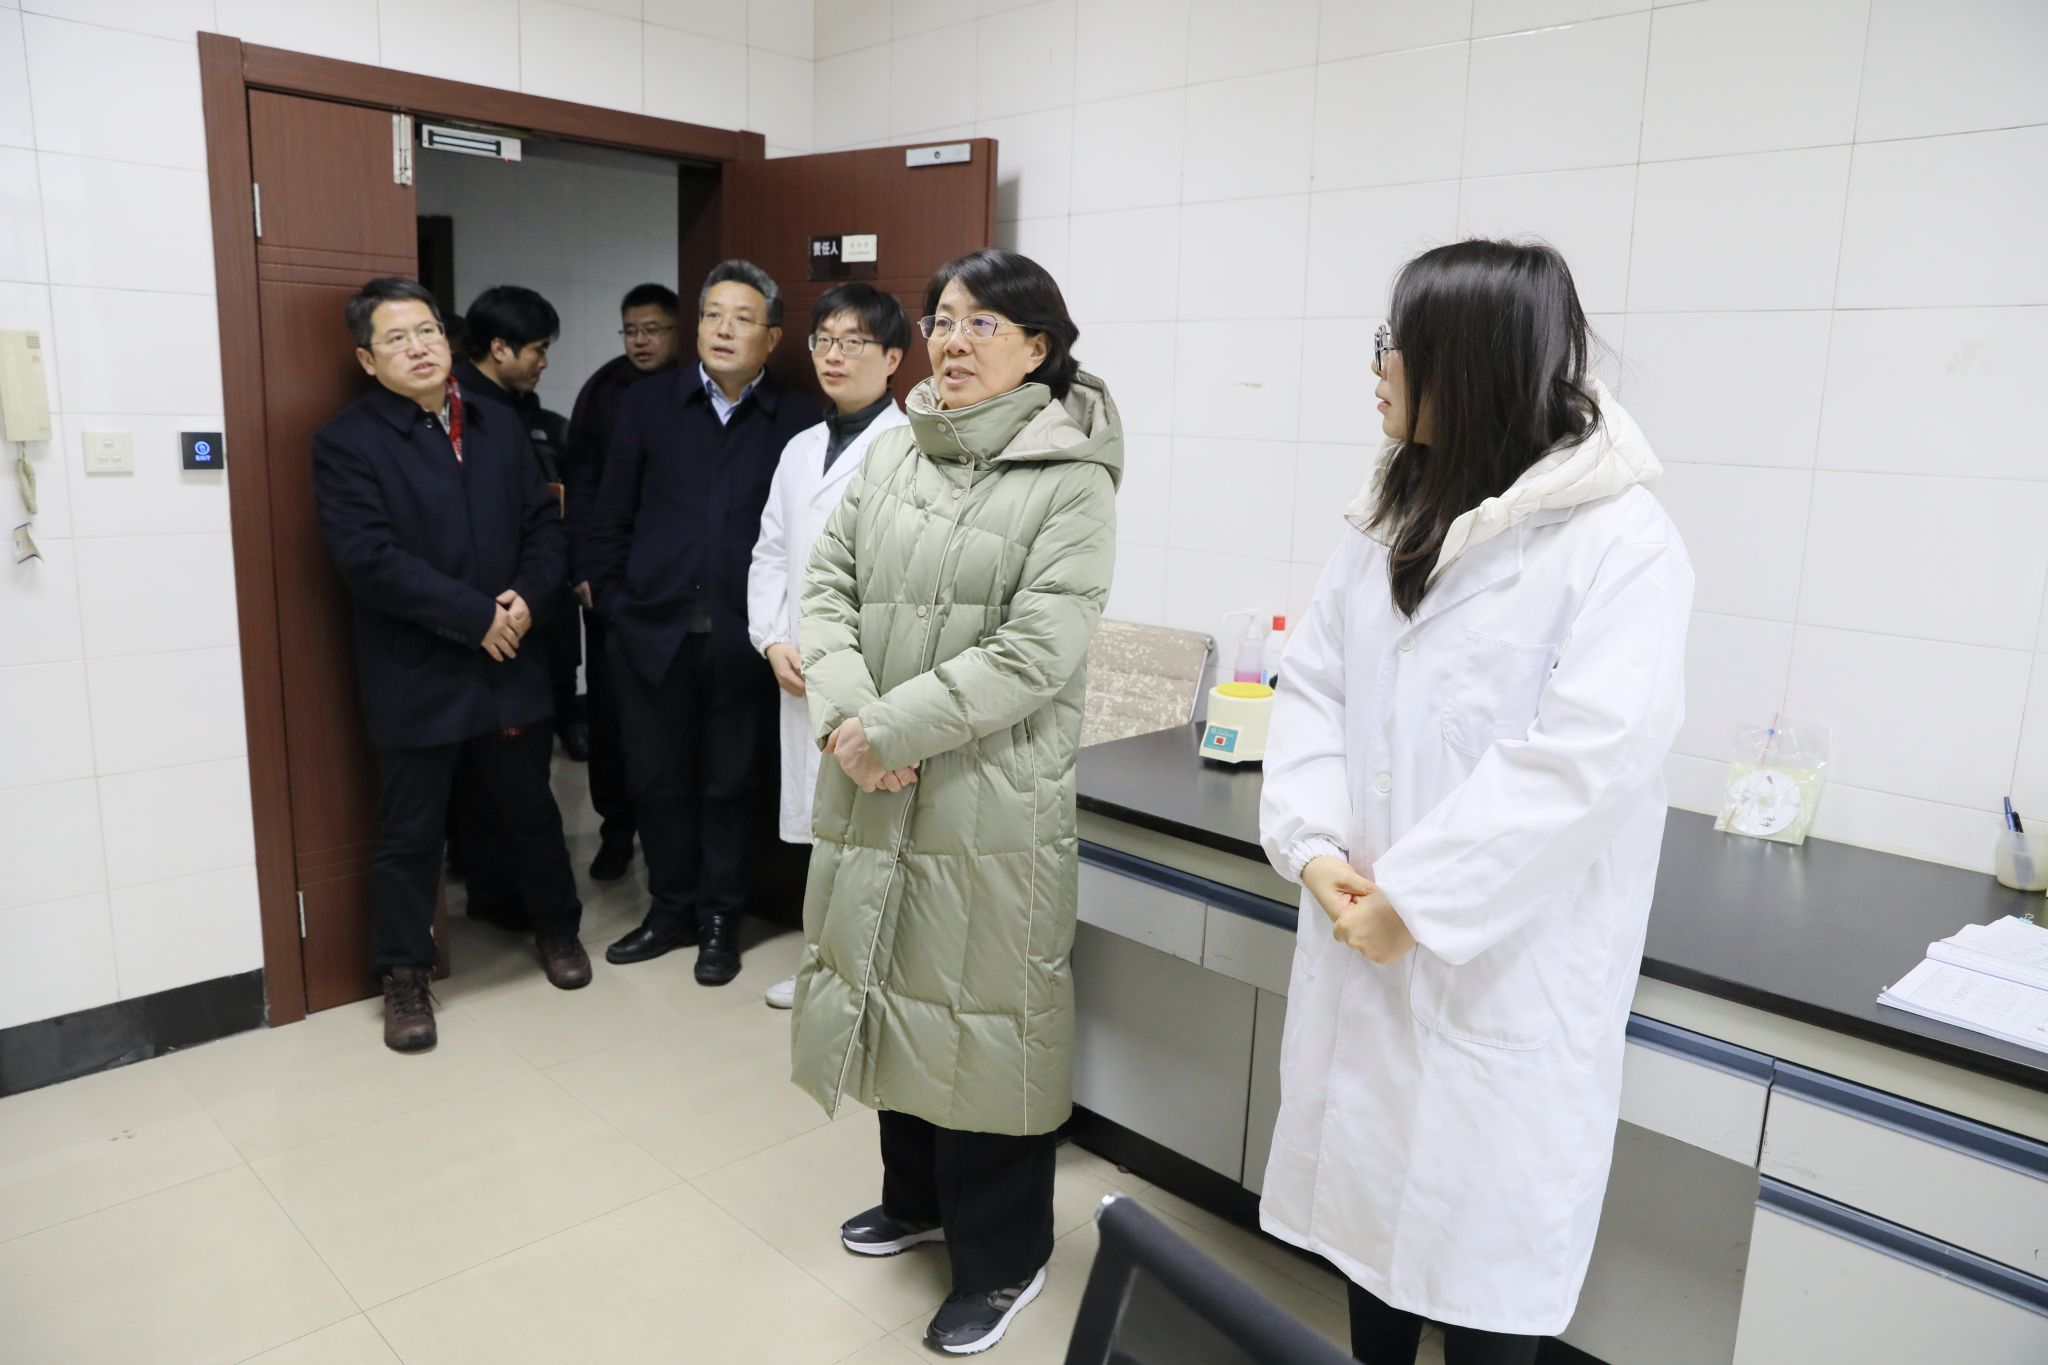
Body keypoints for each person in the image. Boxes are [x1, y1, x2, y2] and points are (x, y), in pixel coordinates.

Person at [1257, 240, 1693, 1364]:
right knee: (1369, 1264)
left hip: (1499, 975)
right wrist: (1314, 848)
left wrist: (1414, 903)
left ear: (1468, 361)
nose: (1377, 368)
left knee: (1481, 1296)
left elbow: (1586, 761)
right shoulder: (1392, 510)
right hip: (1364, 939)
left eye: (1393, 345)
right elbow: (1314, 689)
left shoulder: (1619, 541)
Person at [791, 249, 1121, 1355]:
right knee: (890, 986)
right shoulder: (896, 448)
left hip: (987, 797)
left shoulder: (1070, 478)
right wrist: (851, 717)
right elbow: (826, 587)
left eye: (983, 324)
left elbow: (1038, 649)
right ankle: (917, 1199)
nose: (952, 339)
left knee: (985, 1022)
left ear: (1037, 347)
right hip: (874, 776)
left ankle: (1004, 1258)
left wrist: (885, 732)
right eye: (942, 318)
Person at [313, 278, 591, 1054]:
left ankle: (557, 929)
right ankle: (405, 975)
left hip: (511, 656)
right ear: (367, 360)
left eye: (428, 330)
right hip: (419, 667)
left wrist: (526, 601)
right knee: (412, 832)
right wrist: (477, 618)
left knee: (530, 807)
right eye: (397, 338)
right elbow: (369, 559)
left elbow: (545, 528)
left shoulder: (501, 423)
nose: (419, 347)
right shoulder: (348, 441)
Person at [582, 261, 817, 985]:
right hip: (650, 631)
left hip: (747, 637)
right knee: (657, 779)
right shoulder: (649, 403)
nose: (722, 329)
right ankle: (670, 909)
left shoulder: (799, 419)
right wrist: (614, 603)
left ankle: (720, 919)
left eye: (742, 318)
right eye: (713, 314)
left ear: (771, 337)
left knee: (731, 783)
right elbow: (609, 513)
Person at [747, 283, 911, 1012]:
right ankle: (824, 964)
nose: (834, 355)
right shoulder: (800, 449)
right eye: (824, 340)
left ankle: (875, 976)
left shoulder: (911, 449)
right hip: (800, 672)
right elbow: (770, 553)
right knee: (825, 831)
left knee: (875, 829)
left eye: (854, 342)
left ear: (894, 358)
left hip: (873, 673)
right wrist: (773, 639)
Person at [565, 283, 684, 882]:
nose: (640, 341)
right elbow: (580, 486)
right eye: (631, 330)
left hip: (674, 584)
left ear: (678, 332)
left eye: (653, 330)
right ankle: (616, 831)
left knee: (671, 720)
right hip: (611, 584)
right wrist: (586, 567)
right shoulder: (603, 390)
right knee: (610, 715)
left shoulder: (696, 388)